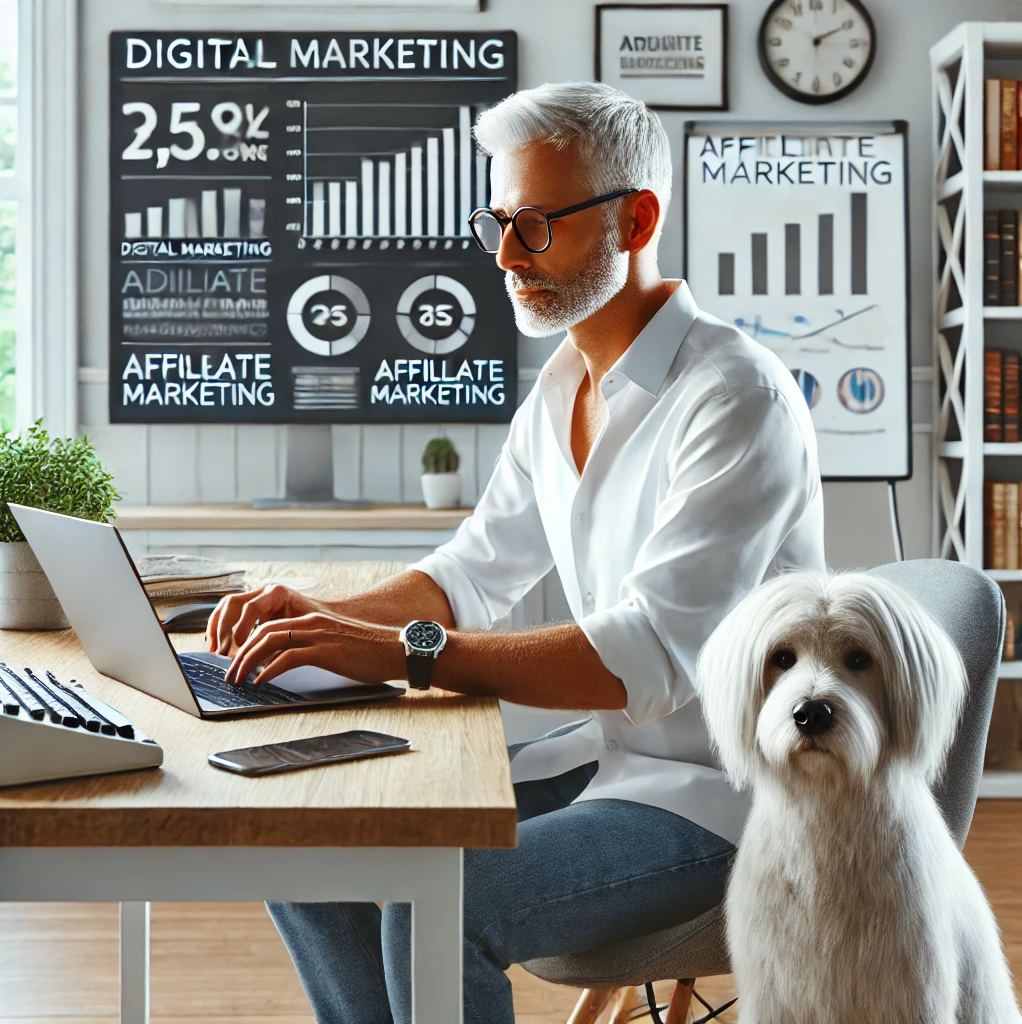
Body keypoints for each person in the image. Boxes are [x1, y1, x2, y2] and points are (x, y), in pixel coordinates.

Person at [207, 81, 826, 1024]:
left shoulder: (735, 398)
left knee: (448, 902)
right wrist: (317, 620)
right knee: (305, 839)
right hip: (616, 761)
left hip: (735, 800)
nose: (504, 256)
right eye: (496, 221)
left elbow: (646, 657)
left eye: (535, 226)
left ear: (635, 218)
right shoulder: (563, 386)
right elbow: (469, 573)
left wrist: (406, 653)